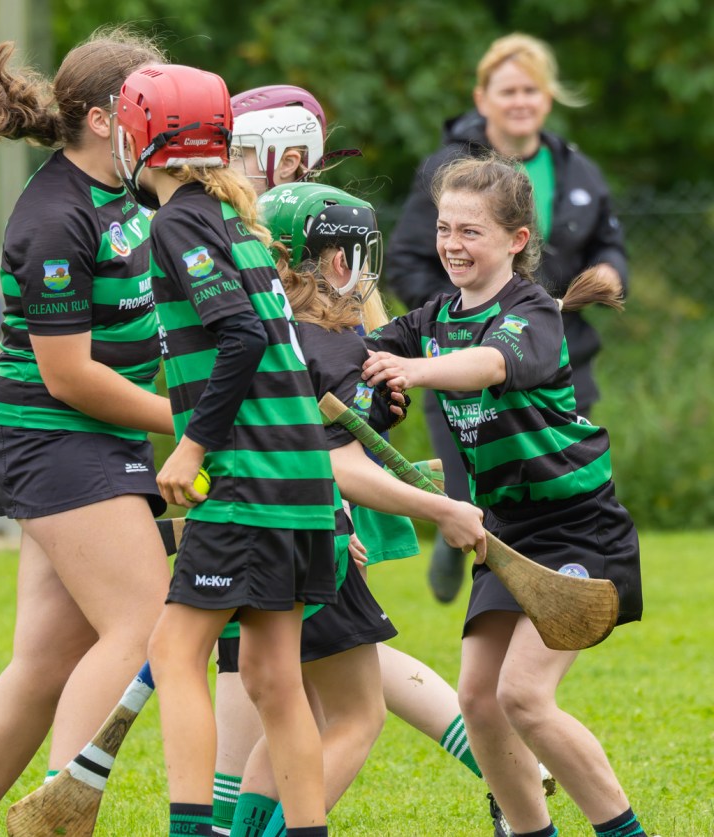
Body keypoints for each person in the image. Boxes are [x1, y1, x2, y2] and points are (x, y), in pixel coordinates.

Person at [362, 154, 648, 837]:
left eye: (471, 231)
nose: (452, 244)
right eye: (444, 228)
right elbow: (359, 352)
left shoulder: (531, 312)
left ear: (517, 240)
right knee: (477, 701)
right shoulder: (431, 317)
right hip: (504, 531)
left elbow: (489, 364)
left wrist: (413, 369)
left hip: (579, 526)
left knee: (522, 696)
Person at [0, 30, 173, 836]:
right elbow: (68, 375)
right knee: (146, 623)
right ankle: (60, 821)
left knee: (43, 662)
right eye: (153, 102)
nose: (169, 119)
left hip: (94, 442)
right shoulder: (52, 216)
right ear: (104, 117)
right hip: (51, 441)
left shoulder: (132, 194)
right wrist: (192, 422)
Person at [112, 63, 341, 837]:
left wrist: (191, 448)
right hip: (299, 484)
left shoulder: (178, 224)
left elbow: (241, 337)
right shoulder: (234, 221)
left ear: (151, 142)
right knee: (276, 678)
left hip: (248, 480)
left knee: (175, 653)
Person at [225, 181, 487, 837]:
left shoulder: (262, 334)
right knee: (354, 716)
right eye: (354, 254)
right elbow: (338, 463)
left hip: (244, 539)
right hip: (311, 546)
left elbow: (301, 445)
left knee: (294, 713)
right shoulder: (339, 347)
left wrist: (373, 434)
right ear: (338, 262)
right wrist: (440, 508)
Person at [386, 32, 628, 606]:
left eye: (532, 90)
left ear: (548, 98)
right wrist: (457, 318)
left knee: (539, 469)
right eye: (508, 90)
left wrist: (611, 272)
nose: (521, 101)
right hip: (458, 360)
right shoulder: (451, 171)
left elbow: (609, 244)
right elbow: (407, 256)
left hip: (549, 346)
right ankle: (465, 528)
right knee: (480, 481)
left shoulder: (577, 170)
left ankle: (557, 561)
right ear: (483, 97)